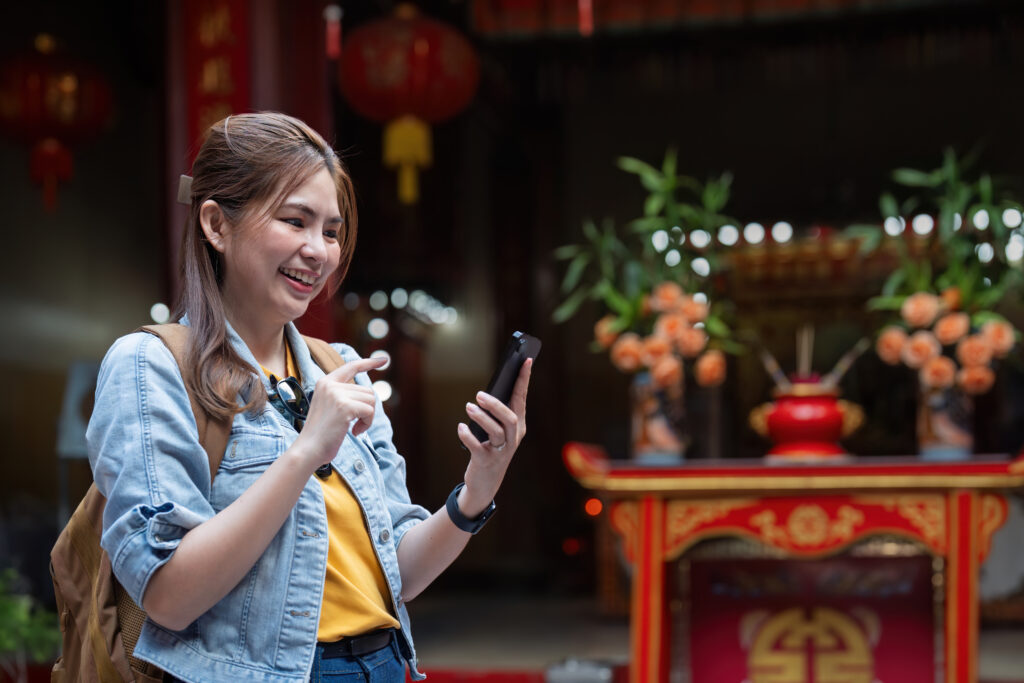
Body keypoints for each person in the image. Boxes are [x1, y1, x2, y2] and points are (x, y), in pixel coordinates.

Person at [87, 112, 532, 682]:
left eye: (330, 230)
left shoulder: (340, 368)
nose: (318, 251)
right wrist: (304, 453)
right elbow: (169, 595)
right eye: (295, 221)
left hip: (386, 664)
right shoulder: (149, 365)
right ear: (216, 225)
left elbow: (399, 573)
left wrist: (480, 486)